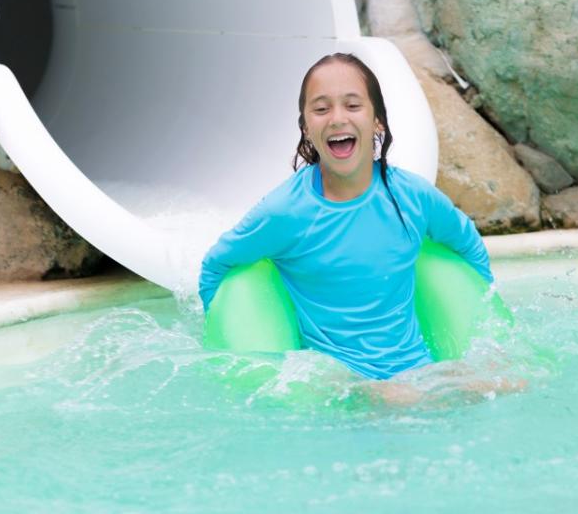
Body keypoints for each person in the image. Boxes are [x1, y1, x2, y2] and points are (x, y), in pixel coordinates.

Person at [198, 53, 493, 381]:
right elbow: (215, 267)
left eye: (352, 105)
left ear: (377, 121)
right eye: (321, 109)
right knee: (405, 399)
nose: (337, 118)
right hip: (343, 387)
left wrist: (482, 317)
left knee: (509, 381)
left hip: (419, 371)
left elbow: (468, 245)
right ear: (306, 128)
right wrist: (227, 334)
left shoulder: (413, 198)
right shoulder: (286, 213)